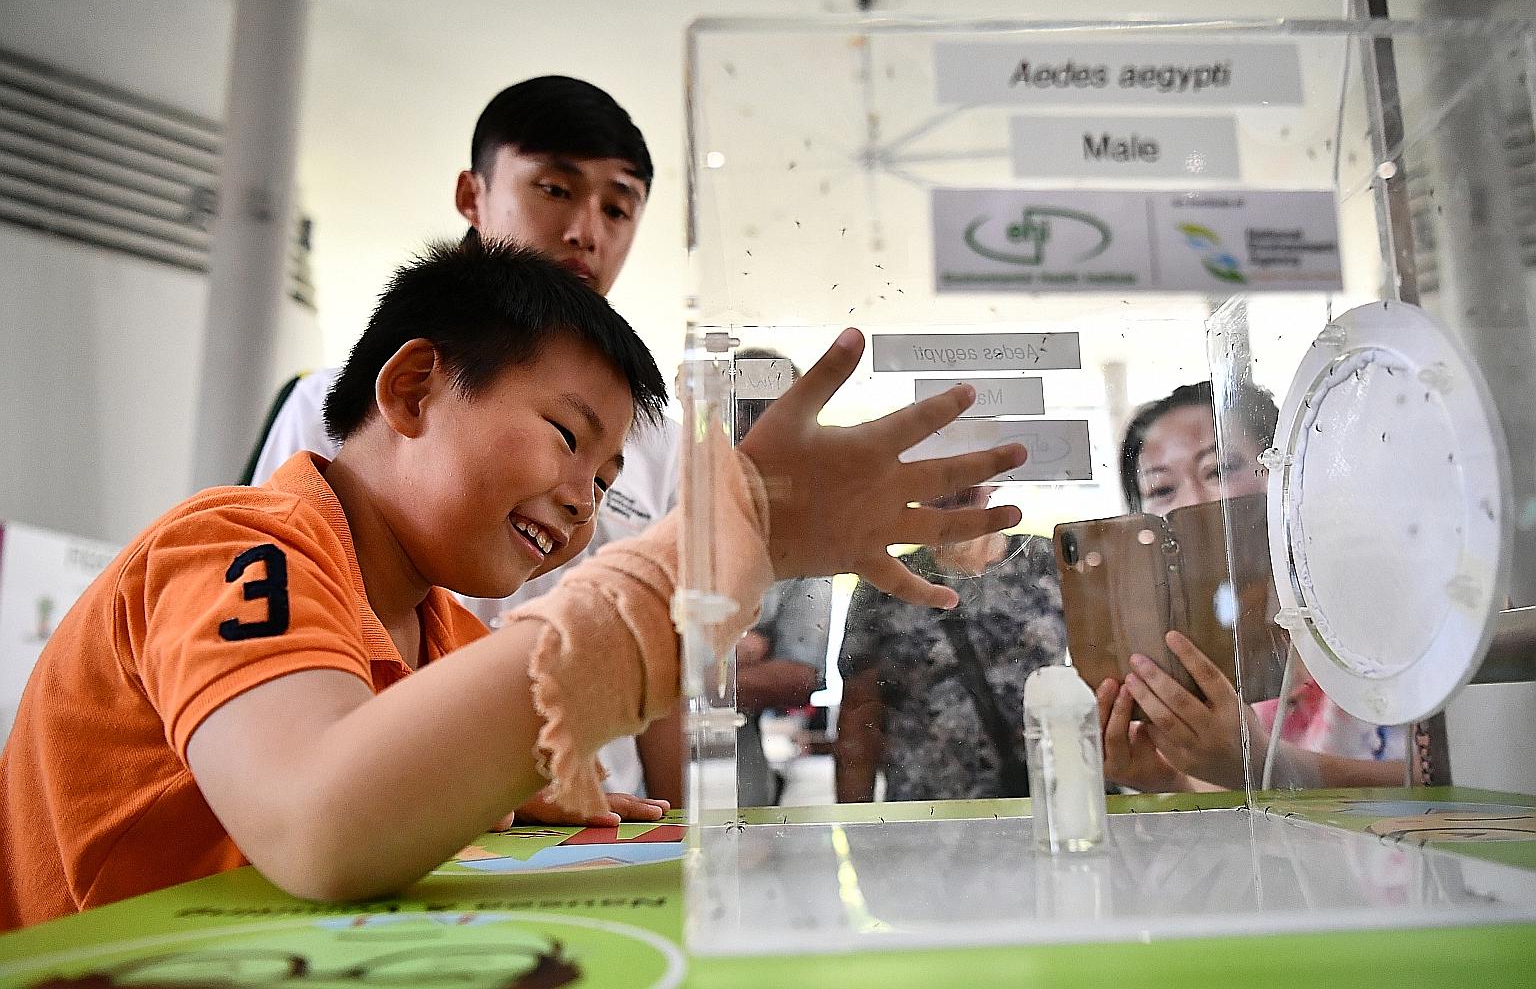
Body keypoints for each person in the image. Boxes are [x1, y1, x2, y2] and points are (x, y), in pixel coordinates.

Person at [0, 239, 1027, 929]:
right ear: (410, 388)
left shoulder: (442, 628)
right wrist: (696, 565)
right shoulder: (234, 543)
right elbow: (318, 821)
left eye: (611, 481)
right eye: (568, 437)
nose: (586, 500)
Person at [249, 76, 681, 805]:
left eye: (618, 207)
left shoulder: (663, 443)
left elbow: (666, 659)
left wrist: (680, 835)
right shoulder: (304, 436)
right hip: (392, 791)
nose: (587, 230)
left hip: (549, 802)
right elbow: (296, 795)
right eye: (554, 188)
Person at [1097, 380, 1405, 792]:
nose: (1193, 502)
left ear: (1284, 471)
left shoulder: (1393, 606)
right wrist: (1170, 783)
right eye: (1161, 489)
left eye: (1219, 469)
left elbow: (1472, 779)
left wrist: (1265, 767)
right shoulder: (1175, 651)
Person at [835, 486, 1067, 803]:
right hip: (927, 811)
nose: (953, 487)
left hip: (1047, 799)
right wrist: (854, 826)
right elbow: (859, 718)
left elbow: (1098, 675)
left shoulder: (1046, 562)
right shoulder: (885, 582)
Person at [730, 349, 830, 807]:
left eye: (776, 412)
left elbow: (797, 678)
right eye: (746, 408)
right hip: (625, 774)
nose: (758, 425)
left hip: (737, 785)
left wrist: (688, 659)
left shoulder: (807, 531)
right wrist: (740, 652)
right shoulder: (661, 496)